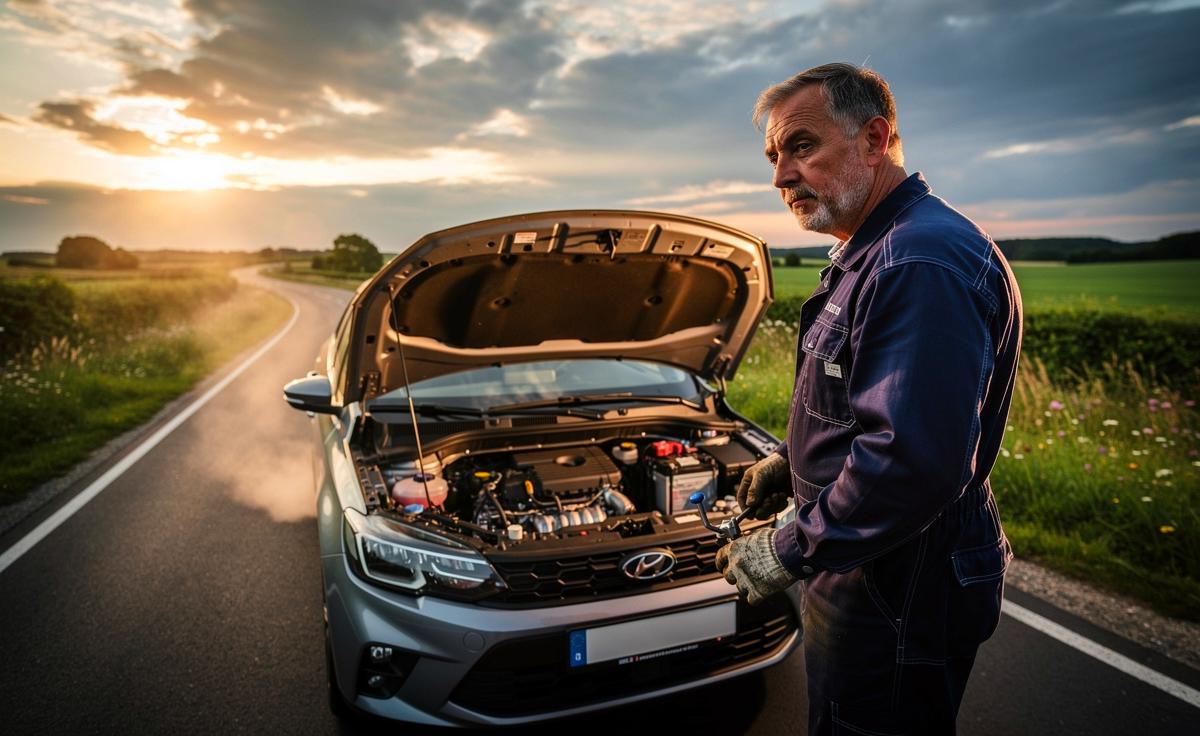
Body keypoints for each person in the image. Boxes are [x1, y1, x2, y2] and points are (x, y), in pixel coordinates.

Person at [714, 63, 1022, 734]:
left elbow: (910, 462)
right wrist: (791, 464)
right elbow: (859, 405)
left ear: (874, 138)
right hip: (871, 565)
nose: (779, 177)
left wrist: (789, 546)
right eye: (773, 156)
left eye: (800, 146)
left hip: (899, 583)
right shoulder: (875, 247)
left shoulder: (917, 261)